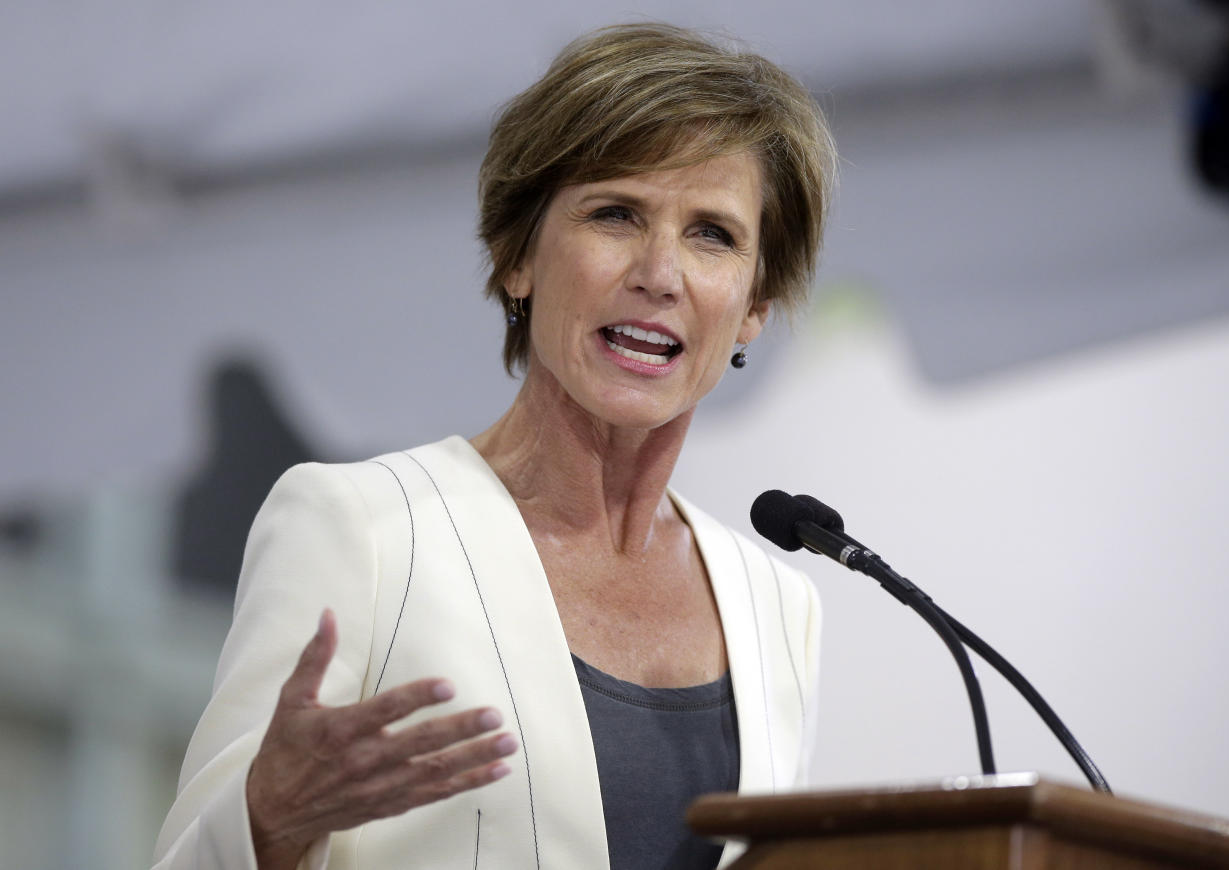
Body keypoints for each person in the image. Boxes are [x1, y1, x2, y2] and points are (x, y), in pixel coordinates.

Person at [153, 22, 836, 870]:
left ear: (755, 305)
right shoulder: (360, 530)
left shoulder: (778, 602)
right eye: (616, 214)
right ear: (519, 257)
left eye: (713, 235)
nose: (660, 273)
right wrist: (267, 822)